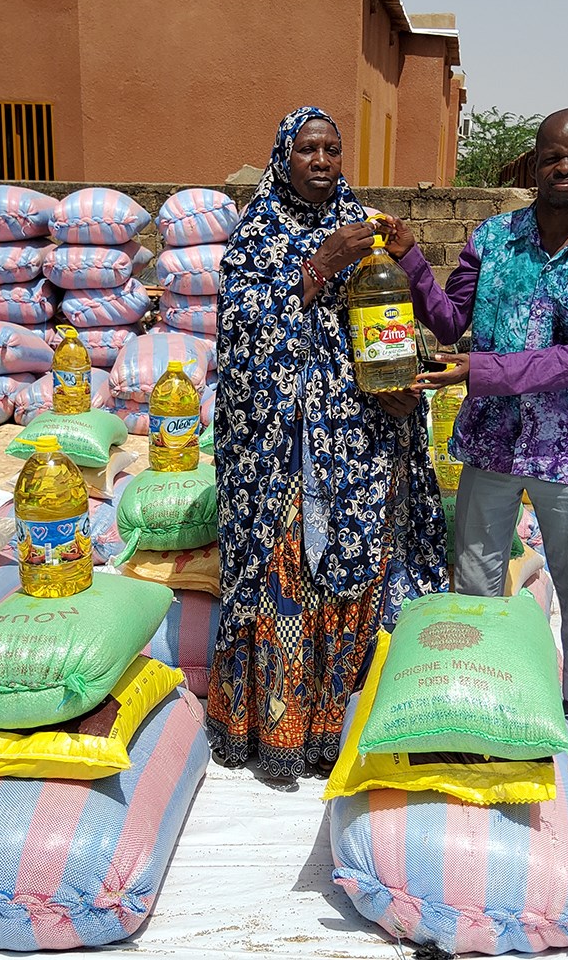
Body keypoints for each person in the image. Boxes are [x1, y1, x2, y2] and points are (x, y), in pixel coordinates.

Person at [385, 108, 568, 779]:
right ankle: (482, 703)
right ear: (532, 164)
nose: (563, 168)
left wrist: (483, 370)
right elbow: (449, 321)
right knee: (476, 585)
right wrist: (409, 257)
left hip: (567, 446)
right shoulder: (492, 240)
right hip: (493, 442)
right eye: (552, 156)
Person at [209, 106, 447, 781]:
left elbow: (387, 324)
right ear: (283, 156)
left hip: (362, 443)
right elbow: (242, 335)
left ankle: (361, 722)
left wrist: (398, 383)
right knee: (292, 576)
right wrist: (318, 267)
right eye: (308, 149)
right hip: (286, 452)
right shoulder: (256, 235)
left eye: (332, 150)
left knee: (365, 566)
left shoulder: (362, 229)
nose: (320, 161)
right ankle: (284, 732)